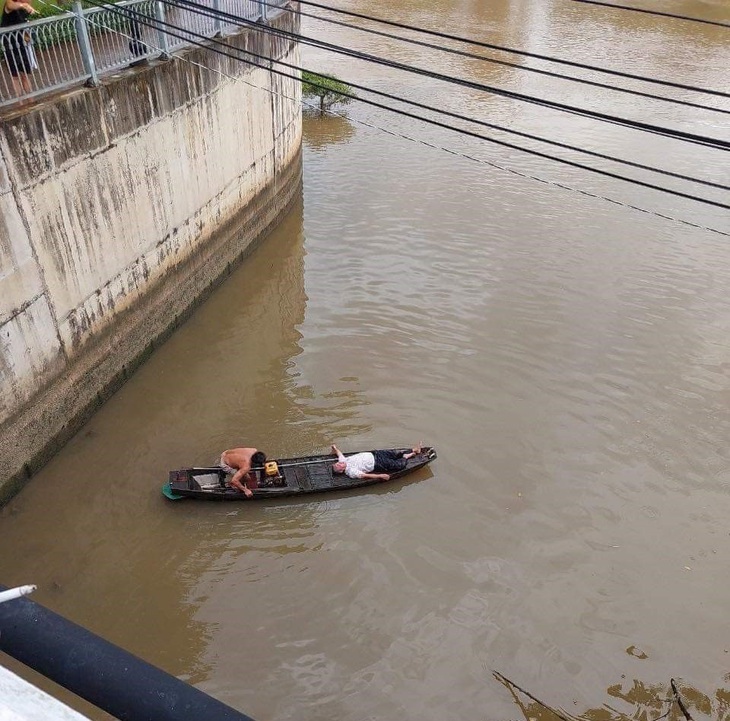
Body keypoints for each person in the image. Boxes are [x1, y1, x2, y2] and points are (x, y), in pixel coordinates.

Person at [1, 0, 37, 102]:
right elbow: (10, 5)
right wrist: (23, 5)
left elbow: (23, 22)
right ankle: (20, 103)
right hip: (9, 44)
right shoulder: (10, 4)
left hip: (21, 44)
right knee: (15, 76)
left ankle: (31, 101)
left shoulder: (24, 7)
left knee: (25, 74)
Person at [331, 444, 422, 481]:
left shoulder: (343, 461)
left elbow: (339, 454)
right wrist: (380, 476)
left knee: (396, 453)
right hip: (378, 463)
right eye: (338, 465)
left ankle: (415, 450)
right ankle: (407, 456)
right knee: (399, 465)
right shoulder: (351, 472)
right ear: (341, 471)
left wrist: (335, 448)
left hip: (375, 453)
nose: (339, 463)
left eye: (337, 463)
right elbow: (364, 475)